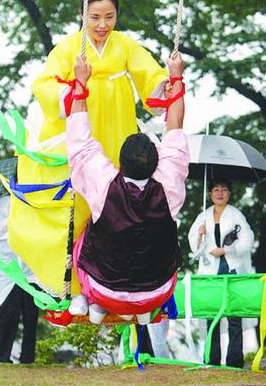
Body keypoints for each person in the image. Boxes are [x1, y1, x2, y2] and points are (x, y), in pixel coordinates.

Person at [66, 51, 188, 324]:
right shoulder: (169, 182)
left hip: (104, 288)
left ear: (119, 162)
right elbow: (176, 127)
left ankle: (91, 300)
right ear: (158, 162)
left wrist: (80, 81)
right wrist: (176, 76)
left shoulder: (103, 183)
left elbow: (79, 140)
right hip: (156, 291)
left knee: (83, 232)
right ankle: (140, 308)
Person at [32, 0, 168, 166]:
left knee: (118, 166)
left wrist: (163, 86)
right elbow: (44, 84)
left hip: (119, 116)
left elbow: (149, 72)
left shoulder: (125, 43)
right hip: (84, 116)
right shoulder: (67, 48)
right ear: (82, 14)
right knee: (86, 167)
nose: (103, 25)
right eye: (95, 17)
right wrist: (72, 89)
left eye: (109, 17)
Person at [188, 180, 255, 368]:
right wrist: (200, 235)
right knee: (212, 314)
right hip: (210, 269)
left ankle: (234, 360)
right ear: (210, 194)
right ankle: (211, 358)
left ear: (230, 193)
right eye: (216, 190)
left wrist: (226, 251)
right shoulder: (203, 216)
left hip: (232, 267)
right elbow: (194, 247)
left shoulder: (236, 214)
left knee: (234, 315)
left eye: (224, 190)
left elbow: (248, 240)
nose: (220, 193)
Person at [0, 195, 38, 363]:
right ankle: (3, 357)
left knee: (31, 315)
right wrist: (15, 214)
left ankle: (28, 358)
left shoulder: (35, 202)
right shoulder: (3, 203)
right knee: (8, 315)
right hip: (8, 270)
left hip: (30, 270)